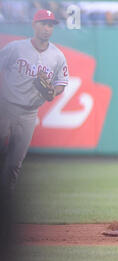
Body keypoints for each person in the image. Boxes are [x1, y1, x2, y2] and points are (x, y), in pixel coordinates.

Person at [0, 9, 69, 193]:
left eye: (50, 25)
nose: (47, 28)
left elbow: (61, 84)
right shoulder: (16, 48)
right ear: (34, 24)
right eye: (43, 23)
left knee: (15, 162)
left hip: (29, 113)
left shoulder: (57, 56)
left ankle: (5, 201)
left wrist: (51, 91)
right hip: (5, 107)